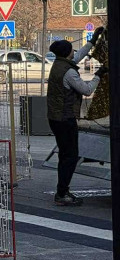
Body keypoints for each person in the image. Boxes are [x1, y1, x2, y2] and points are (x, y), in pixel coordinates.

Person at [47, 29, 107, 206]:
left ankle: (62, 190)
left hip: (55, 117)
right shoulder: (69, 73)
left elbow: (79, 55)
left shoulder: (59, 64)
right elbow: (87, 90)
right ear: (66, 53)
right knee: (70, 156)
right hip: (65, 119)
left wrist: (92, 41)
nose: (74, 52)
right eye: (71, 50)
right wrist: (98, 75)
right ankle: (62, 193)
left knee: (65, 155)